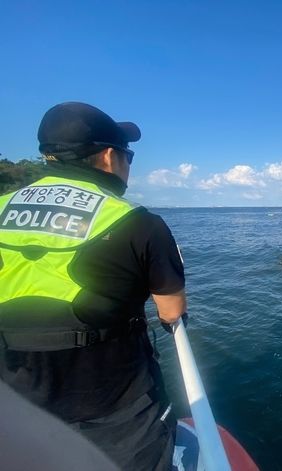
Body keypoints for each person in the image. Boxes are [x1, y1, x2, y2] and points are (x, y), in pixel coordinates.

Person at [0, 102, 187, 470]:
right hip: (114, 405)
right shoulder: (139, 222)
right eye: (127, 156)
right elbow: (172, 311)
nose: (128, 165)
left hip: (14, 397)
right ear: (106, 157)